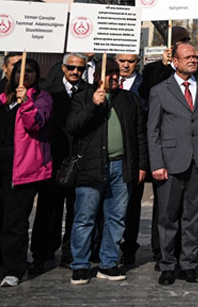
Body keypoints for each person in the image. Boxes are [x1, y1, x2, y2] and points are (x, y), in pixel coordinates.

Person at [0, 59, 53, 288]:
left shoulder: (42, 98)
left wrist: (25, 101)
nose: (24, 75)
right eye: (20, 71)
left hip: (24, 169)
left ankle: (14, 268)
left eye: (29, 71)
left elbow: (36, 124)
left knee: (14, 222)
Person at [146, 41, 198, 285]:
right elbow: (153, 130)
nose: (193, 60)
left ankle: (188, 264)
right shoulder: (160, 90)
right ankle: (168, 265)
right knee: (168, 217)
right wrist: (156, 163)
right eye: (188, 57)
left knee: (193, 217)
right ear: (174, 62)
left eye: (196, 58)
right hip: (169, 163)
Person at [66, 68, 149, 285]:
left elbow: (140, 134)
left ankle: (109, 263)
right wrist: (93, 105)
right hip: (91, 167)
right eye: (108, 74)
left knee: (116, 217)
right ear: (97, 76)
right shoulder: (83, 97)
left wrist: (141, 165)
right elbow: (73, 128)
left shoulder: (130, 100)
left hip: (121, 167)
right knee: (85, 219)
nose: (113, 78)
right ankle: (80, 265)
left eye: (116, 75)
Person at [31, 52, 92, 273]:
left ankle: (70, 253)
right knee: (48, 209)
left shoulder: (90, 92)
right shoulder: (49, 91)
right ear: (64, 68)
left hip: (79, 158)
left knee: (77, 210)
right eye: (72, 68)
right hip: (53, 158)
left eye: (80, 69)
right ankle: (41, 252)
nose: (76, 72)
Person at [115, 53, 149, 263]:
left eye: (131, 61)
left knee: (132, 205)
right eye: (122, 61)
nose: (126, 65)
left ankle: (129, 247)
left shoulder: (144, 86)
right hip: (108, 151)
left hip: (133, 152)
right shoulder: (104, 81)